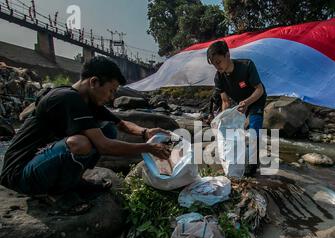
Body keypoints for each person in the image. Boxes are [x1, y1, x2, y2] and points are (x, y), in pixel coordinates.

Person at [0, 56, 171, 201]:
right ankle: (60, 195)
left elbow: (121, 124)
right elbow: (104, 146)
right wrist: (148, 148)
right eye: (111, 91)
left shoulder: (87, 101)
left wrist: (145, 132)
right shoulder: (66, 98)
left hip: (40, 162)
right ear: (94, 82)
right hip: (19, 174)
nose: (112, 97)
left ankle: (73, 182)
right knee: (80, 143)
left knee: (108, 129)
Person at [206, 40, 267, 176]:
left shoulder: (247, 66)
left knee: (253, 130)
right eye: (214, 64)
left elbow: (260, 89)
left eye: (218, 62)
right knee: (232, 131)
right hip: (241, 104)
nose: (217, 66)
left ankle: (252, 165)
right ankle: (236, 158)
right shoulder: (219, 77)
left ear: (227, 55)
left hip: (256, 100)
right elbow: (225, 101)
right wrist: (222, 119)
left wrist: (247, 102)